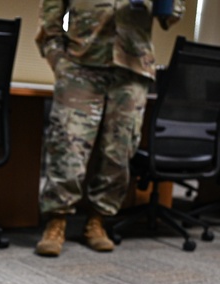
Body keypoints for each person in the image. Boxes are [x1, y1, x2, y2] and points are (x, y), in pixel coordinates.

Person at [34, 0, 185, 257]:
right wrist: (60, 62)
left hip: (132, 68)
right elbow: (50, 20)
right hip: (81, 65)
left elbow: (171, 15)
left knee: (120, 150)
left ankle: (98, 220)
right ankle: (56, 221)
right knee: (67, 144)